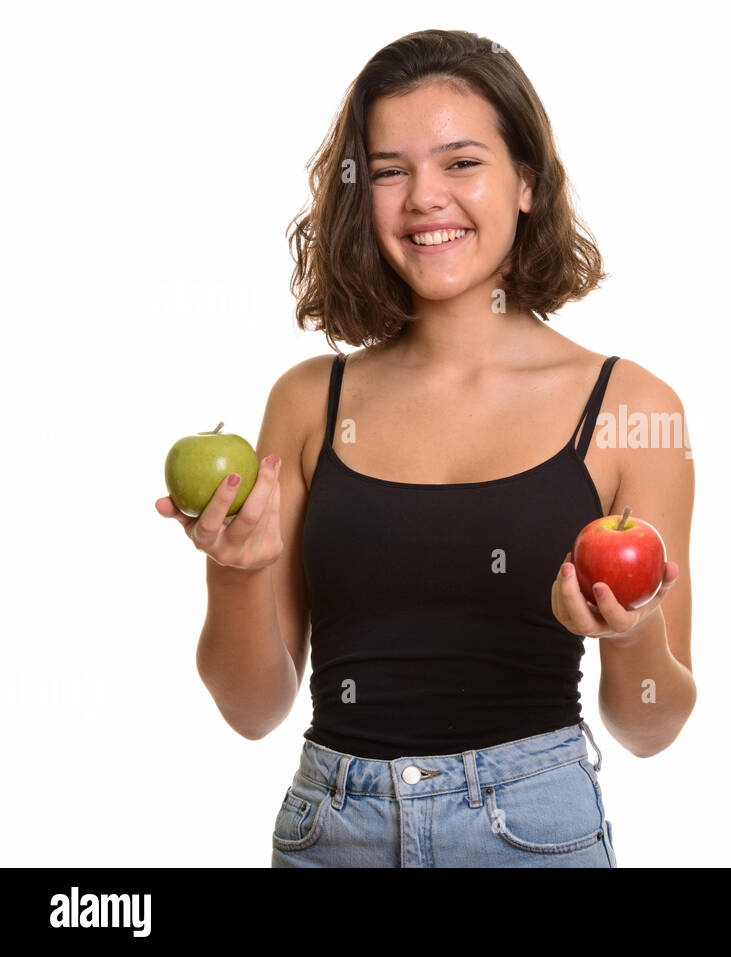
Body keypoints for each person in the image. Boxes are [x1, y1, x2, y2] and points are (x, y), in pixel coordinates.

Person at [154, 29, 695, 867]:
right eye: (389, 171)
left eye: (461, 163)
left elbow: (652, 724)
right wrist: (235, 569)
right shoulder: (308, 403)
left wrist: (628, 638)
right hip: (330, 832)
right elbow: (252, 708)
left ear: (526, 182)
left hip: (534, 833)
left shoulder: (629, 407)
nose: (423, 199)